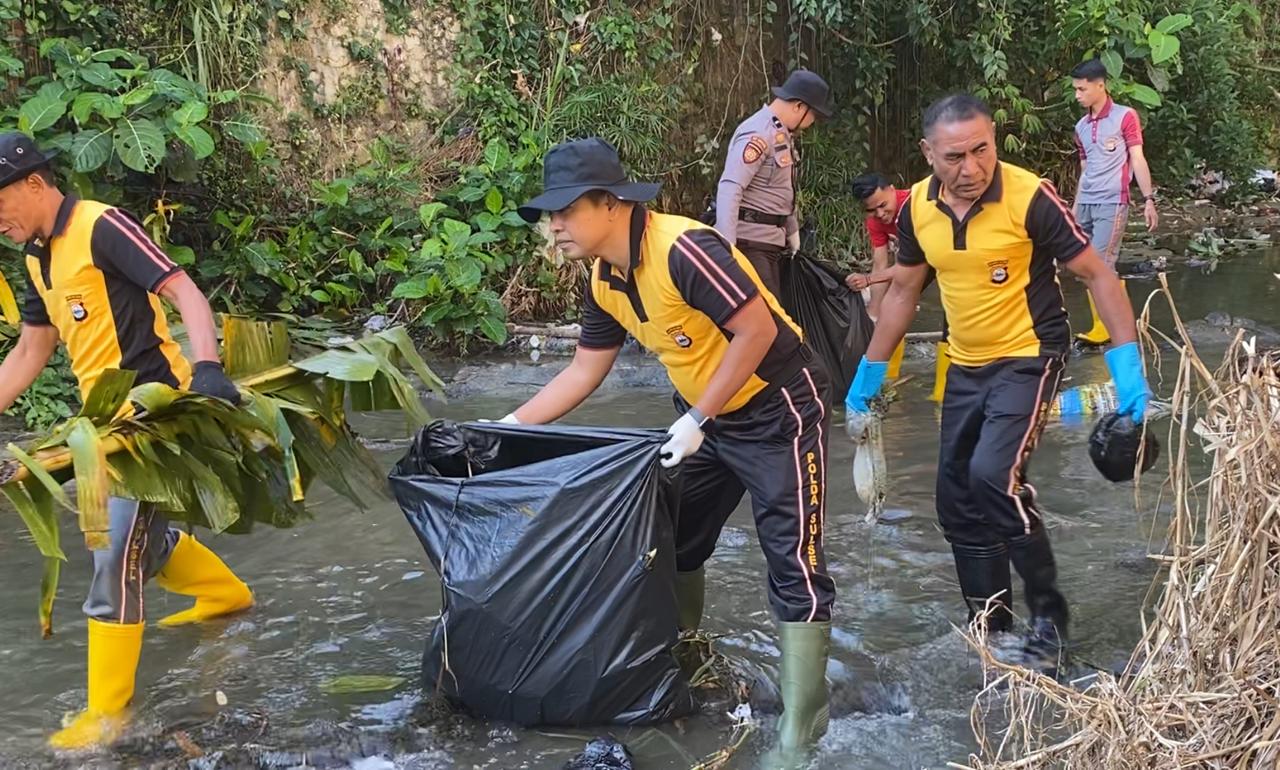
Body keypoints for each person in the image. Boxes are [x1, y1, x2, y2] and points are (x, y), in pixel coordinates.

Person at [508, 137, 834, 762]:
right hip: (703, 419)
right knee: (675, 537)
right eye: (550, 214)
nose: (554, 226)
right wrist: (510, 424)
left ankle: (803, 723)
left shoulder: (684, 249)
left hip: (777, 407)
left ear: (610, 203)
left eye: (565, 210)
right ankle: (685, 658)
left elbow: (757, 330)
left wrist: (698, 417)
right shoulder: (604, 277)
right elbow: (585, 369)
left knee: (794, 560)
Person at [844, 96, 1151, 667]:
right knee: (955, 498)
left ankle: (1050, 620)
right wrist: (868, 376)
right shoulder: (916, 211)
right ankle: (991, 625)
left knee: (993, 476)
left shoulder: (1030, 196)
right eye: (955, 156)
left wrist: (1127, 372)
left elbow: (1097, 276)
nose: (972, 168)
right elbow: (904, 292)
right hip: (964, 361)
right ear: (928, 153)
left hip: (1031, 355)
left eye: (981, 150)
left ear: (993, 140)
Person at [0, 132, 253, 749]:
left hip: (155, 422)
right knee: (131, 541)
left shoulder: (101, 225)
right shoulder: (37, 257)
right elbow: (31, 351)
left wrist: (209, 368)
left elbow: (182, 289)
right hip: (101, 431)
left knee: (113, 553)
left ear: (34, 183)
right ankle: (226, 597)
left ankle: (106, 716)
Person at [715, 68, 834, 298]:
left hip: (770, 243)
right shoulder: (758, 134)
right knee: (767, 315)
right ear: (798, 106)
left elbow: (781, 188)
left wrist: (792, 230)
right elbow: (730, 187)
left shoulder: (781, 133)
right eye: (814, 115)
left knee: (774, 311)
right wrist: (727, 249)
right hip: (750, 244)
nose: (812, 123)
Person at [1070, 57, 1160, 345]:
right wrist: (1074, 209)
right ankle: (1108, 323)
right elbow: (1085, 169)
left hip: (1112, 200)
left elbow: (1137, 158)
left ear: (1100, 86)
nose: (1077, 95)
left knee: (1102, 264)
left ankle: (1111, 328)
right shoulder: (1081, 126)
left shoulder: (1125, 116)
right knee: (1083, 265)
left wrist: (1148, 199)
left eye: (1082, 89)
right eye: (1075, 89)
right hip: (1087, 201)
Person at [844, 173, 951, 398]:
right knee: (889, 311)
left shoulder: (915, 206)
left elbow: (914, 265)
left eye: (883, 205)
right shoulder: (876, 221)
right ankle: (885, 380)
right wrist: (875, 313)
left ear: (892, 190)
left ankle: (943, 393)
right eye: (872, 210)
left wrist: (868, 280)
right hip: (915, 260)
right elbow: (880, 263)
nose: (880, 214)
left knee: (950, 321)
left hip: (948, 258)